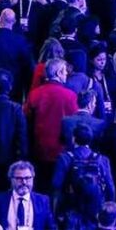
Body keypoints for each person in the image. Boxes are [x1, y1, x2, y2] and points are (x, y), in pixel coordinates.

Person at [25, 58, 79, 189]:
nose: (66, 74)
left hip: (39, 150)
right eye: (65, 71)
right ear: (59, 73)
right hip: (63, 151)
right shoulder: (70, 96)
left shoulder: (34, 94)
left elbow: (26, 119)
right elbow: (75, 122)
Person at [51, 124, 116, 228]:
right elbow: (110, 188)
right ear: (90, 140)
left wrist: (56, 213)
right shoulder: (102, 159)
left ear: (73, 139)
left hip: (72, 211)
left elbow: (56, 186)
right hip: (96, 212)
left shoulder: (65, 158)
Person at [0, 161, 55, 230]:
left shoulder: (43, 201)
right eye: (19, 178)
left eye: (27, 178)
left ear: (33, 178)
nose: (24, 182)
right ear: (11, 179)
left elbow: (51, 227)